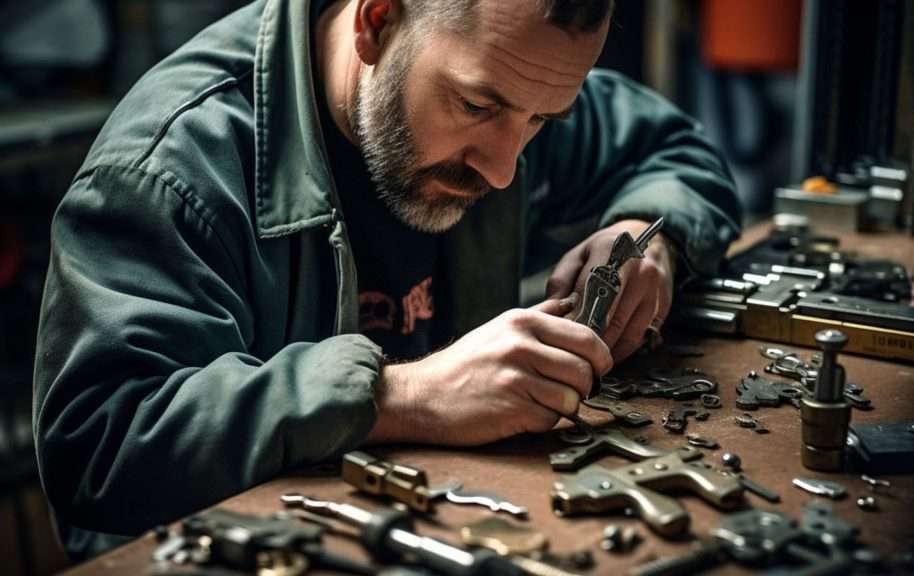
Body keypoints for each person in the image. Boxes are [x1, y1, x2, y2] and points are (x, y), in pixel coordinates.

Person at [32, 0, 740, 560]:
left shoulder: (514, 75)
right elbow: (101, 442)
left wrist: (649, 232)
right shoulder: (173, 167)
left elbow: (674, 150)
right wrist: (401, 396)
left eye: (541, 121)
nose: (502, 168)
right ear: (377, 22)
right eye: (476, 107)